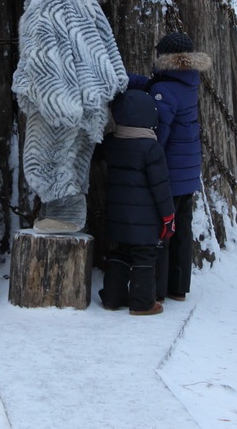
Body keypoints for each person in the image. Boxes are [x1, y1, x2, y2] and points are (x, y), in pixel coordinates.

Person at [10, 0, 127, 233]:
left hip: (61, 98)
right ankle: (62, 212)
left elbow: (45, 55)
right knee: (74, 157)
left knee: (44, 157)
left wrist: (54, 101)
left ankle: (65, 213)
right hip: (89, 98)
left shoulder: (47, 0)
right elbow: (107, 45)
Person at [128, 31, 211, 301]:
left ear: (166, 57)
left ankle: (158, 290)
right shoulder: (186, 81)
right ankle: (178, 286)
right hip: (188, 171)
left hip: (170, 172)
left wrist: (147, 158)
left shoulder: (164, 90)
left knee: (162, 229)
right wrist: (127, 79)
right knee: (182, 229)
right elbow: (155, 85)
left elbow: (159, 132)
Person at [98, 89, 176, 316]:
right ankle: (142, 303)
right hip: (145, 218)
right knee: (144, 255)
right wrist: (169, 216)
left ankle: (112, 298)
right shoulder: (152, 149)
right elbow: (161, 187)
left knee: (118, 254)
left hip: (116, 214)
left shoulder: (110, 143)